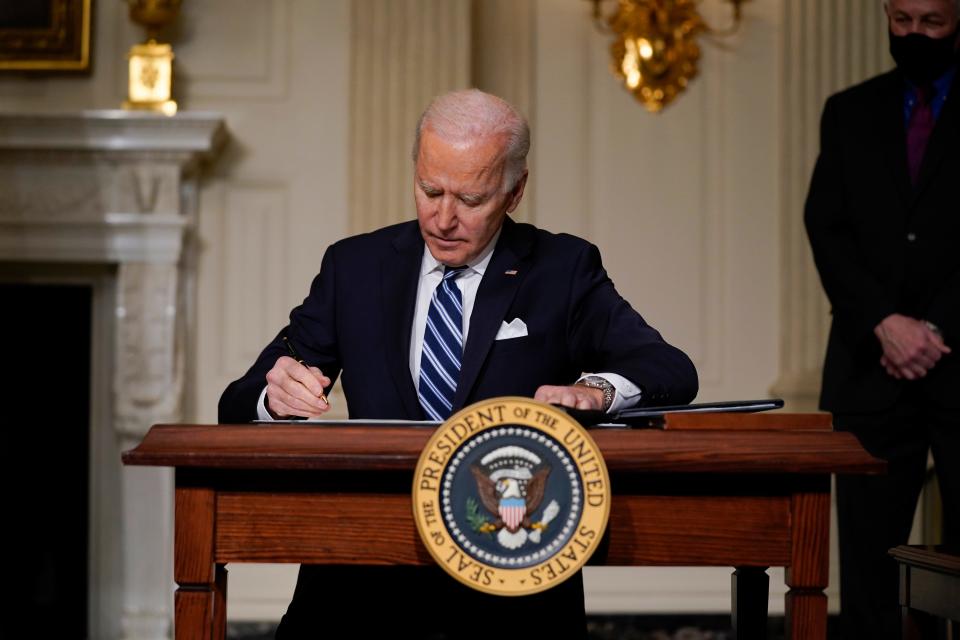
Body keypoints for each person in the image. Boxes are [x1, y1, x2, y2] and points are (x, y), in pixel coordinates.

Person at [220, 89, 697, 638]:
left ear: (514, 192)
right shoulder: (355, 267)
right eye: (429, 191)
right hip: (359, 585)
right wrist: (273, 397)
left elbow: (670, 367)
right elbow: (238, 400)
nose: (443, 218)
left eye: (470, 200)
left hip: (512, 586)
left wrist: (596, 391)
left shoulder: (562, 270)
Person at [804, 1, 960, 637]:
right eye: (901, 20)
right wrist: (885, 323)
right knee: (867, 574)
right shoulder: (849, 110)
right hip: (870, 371)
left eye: (932, 22)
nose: (914, 34)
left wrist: (935, 329)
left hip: (959, 367)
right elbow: (826, 228)